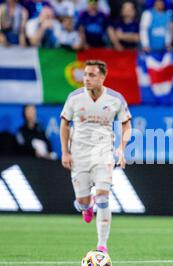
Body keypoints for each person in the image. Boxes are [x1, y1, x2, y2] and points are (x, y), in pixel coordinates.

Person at [60, 60, 132, 253]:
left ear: (102, 77)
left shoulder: (115, 99)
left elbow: (126, 124)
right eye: (85, 74)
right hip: (79, 155)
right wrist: (65, 152)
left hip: (103, 154)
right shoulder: (74, 97)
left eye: (91, 75)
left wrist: (121, 148)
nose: (86, 79)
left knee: (103, 197)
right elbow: (65, 124)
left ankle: (102, 245)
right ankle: (86, 206)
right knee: (82, 203)